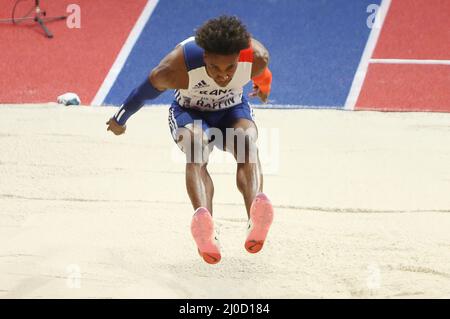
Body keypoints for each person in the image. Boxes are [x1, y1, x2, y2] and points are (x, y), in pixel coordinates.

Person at [106, 15, 274, 264]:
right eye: (215, 68)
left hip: (232, 110)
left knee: (247, 142)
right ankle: (205, 227)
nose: (223, 76)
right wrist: (120, 119)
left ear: (240, 58)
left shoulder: (256, 57)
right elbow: (141, 94)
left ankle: (256, 216)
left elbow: (261, 72)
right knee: (196, 149)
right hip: (189, 112)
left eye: (230, 68)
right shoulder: (174, 67)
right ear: (205, 57)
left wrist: (263, 86)